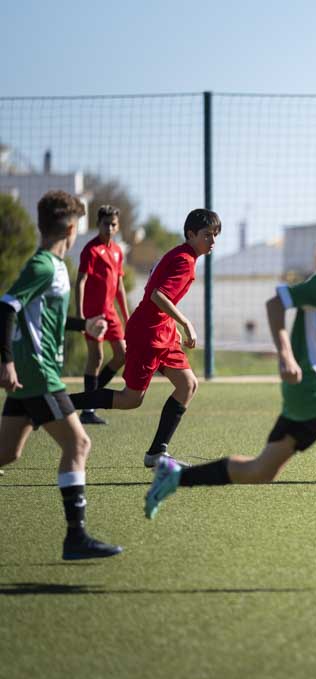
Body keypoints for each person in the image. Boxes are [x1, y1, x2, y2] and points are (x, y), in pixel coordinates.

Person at [144, 212, 316, 578]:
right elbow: (276, 303)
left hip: (308, 395)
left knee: (261, 470)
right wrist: (286, 354)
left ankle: (174, 477)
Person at [0, 190, 120, 559]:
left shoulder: (54, 268)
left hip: (31, 375)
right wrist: (5, 360)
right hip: (39, 373)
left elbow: (42, 316)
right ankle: (76, 537)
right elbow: (5, 308)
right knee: (78, 443)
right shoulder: (43, 266)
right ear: (70, 228)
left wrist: (85, 323)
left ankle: (76, 538)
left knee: (7, 453)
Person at [70, 209, 219, 467]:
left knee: (188, 385)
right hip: (149, 333)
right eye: (207, 235)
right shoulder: (184, 260)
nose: (213, 241)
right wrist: (186, 323)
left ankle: (157, 453)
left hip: (162, 331)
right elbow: (158, 296)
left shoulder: (181, 254)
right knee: (131, 399)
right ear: (191, 234)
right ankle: (60, 404)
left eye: (215, 235)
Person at [75, 204, 129, 426]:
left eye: (113, 224)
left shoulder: (117, 251)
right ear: (98, 224)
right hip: (93, 314)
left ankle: (92, 396)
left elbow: (120, 286)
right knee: (96, 357)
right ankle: (88, 409)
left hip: (111, 312)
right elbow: (80, 281)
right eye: (105, 223)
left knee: (122, 355)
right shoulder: (91, 249)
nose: (109, 227)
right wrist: (80, 317)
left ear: (118, 227)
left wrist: (127, 317)